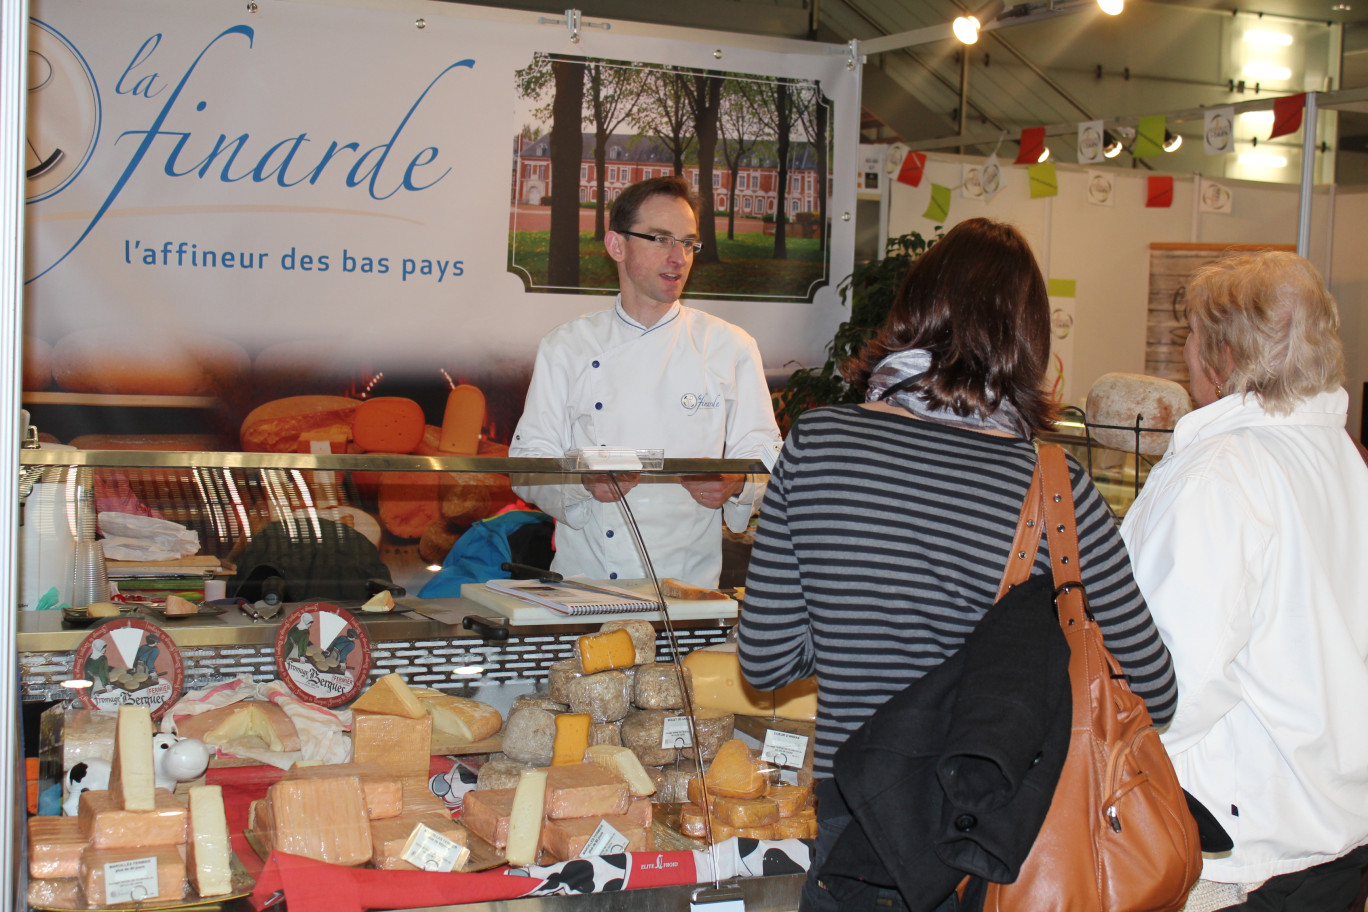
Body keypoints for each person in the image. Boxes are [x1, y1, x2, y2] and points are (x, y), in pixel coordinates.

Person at [737, 217, 1177, 912]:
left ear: (911, 312)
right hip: (989, 841)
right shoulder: (1052, 486)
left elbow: (766, 663)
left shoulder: (818, 442)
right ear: (1029, 338)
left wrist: (859, 611)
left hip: (853, 834)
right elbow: (1152, 685)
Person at [1119, 251, 1368, 911]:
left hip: (1238, 846)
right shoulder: (1339, 456)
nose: (1186, 350)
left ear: (1225, 355)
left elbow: (1173, 679)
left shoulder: (1225, 470)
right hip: (1333, 832)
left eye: (1193, 334)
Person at [509, 176, 781, 587]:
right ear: (617, 245)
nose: (679, 258)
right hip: (588, 587)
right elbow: (526, 463)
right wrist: (582, 481)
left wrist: (738, 482)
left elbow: (768, 454)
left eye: (688, 243)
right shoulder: (567, 346)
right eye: (661, 239)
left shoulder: (729, 346)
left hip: (688, 592)